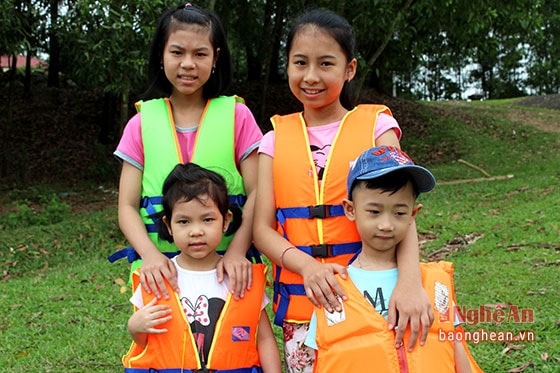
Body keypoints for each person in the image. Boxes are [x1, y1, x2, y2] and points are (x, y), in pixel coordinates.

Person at [253, 9, 433, 372]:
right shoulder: (273, 140)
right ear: (286, 65)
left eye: (326, 63)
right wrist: (306, 266)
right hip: (303, 310)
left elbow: (402, 211)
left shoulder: (377, 127)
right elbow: (261, 230)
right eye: (300, 63)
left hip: (376, 300)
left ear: (349, 69)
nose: (311, 76)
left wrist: (411, 285)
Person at [111, 3, 261, 301]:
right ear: (161, 55)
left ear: (215, 58)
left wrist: (236, 251)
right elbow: (126, 206)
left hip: (227, 272)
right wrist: (151, 256)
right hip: (161, 273)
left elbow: (259, 192)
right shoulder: (140, 124)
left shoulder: (238, 117)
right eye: (177, 52)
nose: (188, 64)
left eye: (200, 54)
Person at [304, 145, 482, 372]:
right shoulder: (333, 288)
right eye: (374, 212)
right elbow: (319, 356)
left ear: (413, 214)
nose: (386, 225)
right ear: (350, 210)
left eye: (399, 213)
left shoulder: (436, 285)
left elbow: (455, 346)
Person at [123, 163, 281, 372]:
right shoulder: (156, 278)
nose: (196, 231)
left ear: (225, 221)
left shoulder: (239, 277)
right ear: (168, 225)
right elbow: (148, 345)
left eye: (207, 219)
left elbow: (264, 339)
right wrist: (134, 327)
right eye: (184, 222)